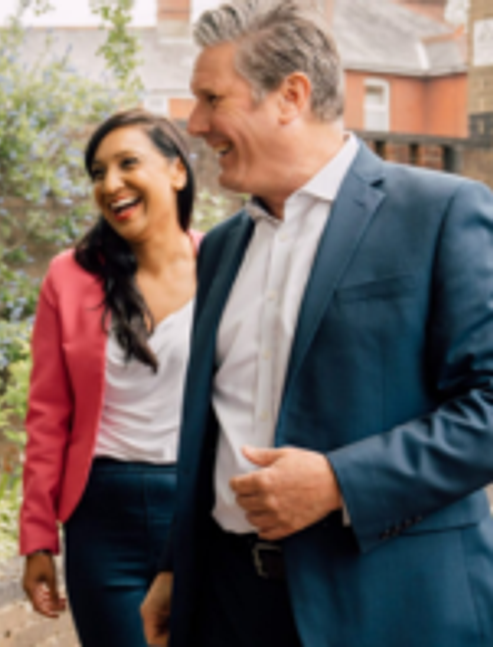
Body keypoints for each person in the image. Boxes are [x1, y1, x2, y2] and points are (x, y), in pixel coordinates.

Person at [140, 1, 493, 646]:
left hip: (385, 606)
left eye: (212, 99)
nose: (194, 125)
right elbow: (212, 430)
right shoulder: (219, 248)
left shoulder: (442, 213)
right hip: (227, 605)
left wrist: (339, 483)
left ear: (290, 97)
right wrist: (174, 566)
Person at [20, 109, 200, 646]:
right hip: (102, 517)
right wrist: (38, 539)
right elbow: (47, 416)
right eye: (98, 173)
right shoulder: (69, 276)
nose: (110, 184)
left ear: (176, 172)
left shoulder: (225, 263)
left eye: (127, 164)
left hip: (197, 509)